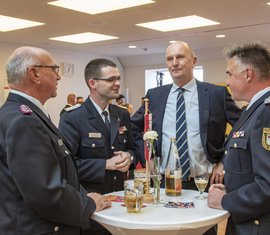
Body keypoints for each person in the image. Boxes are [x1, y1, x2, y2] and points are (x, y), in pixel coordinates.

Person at [131, 41, 242, 235]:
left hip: (202, 183)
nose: (174, 63)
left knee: (202, 231)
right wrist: (147, 157)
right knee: (166, 230)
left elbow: (243, 127)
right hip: (164, 183)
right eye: (169, 58)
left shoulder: (216, 93)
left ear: (193, 61)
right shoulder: (155, 96)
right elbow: (133, 127)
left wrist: (224, 160)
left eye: (180, 57)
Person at [0, 46, 111, 235]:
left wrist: (82, 195)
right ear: (34, 73)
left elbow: (58, 172)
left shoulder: (19, 113)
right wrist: (88, 204)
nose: (59, 77)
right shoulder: (23, 121)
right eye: (54, 69)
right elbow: (45, 191)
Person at [59, 58, 137, 235]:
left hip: (123, 203)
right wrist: (104, 164)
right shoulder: (73, 118)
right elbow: (66, 166)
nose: (117, 83)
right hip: (93, 206)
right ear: (92, 83)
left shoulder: (121, 114)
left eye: (118, 78)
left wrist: (129, 156)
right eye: (111, 79)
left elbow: (133, 149)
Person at [208, 43, 270, 235]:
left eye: (229, 74)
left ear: (248, 74)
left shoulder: (265, 113)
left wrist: (225, 201)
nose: (226, 82)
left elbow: (267, 186)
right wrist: (231, 187)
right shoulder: (253, 110)